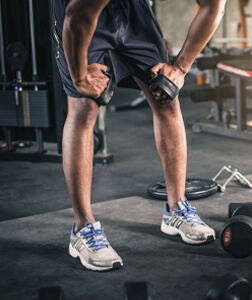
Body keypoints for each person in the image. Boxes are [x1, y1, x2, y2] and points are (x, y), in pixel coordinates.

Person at [51, 0, 226, 271]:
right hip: (79, 10)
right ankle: (82, 227)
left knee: (166, 96)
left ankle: (176, 208)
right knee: (84, 107)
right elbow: (77, 16)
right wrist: (80, 78)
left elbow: (214, 6)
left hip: (132, 10)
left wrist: (179, 69)